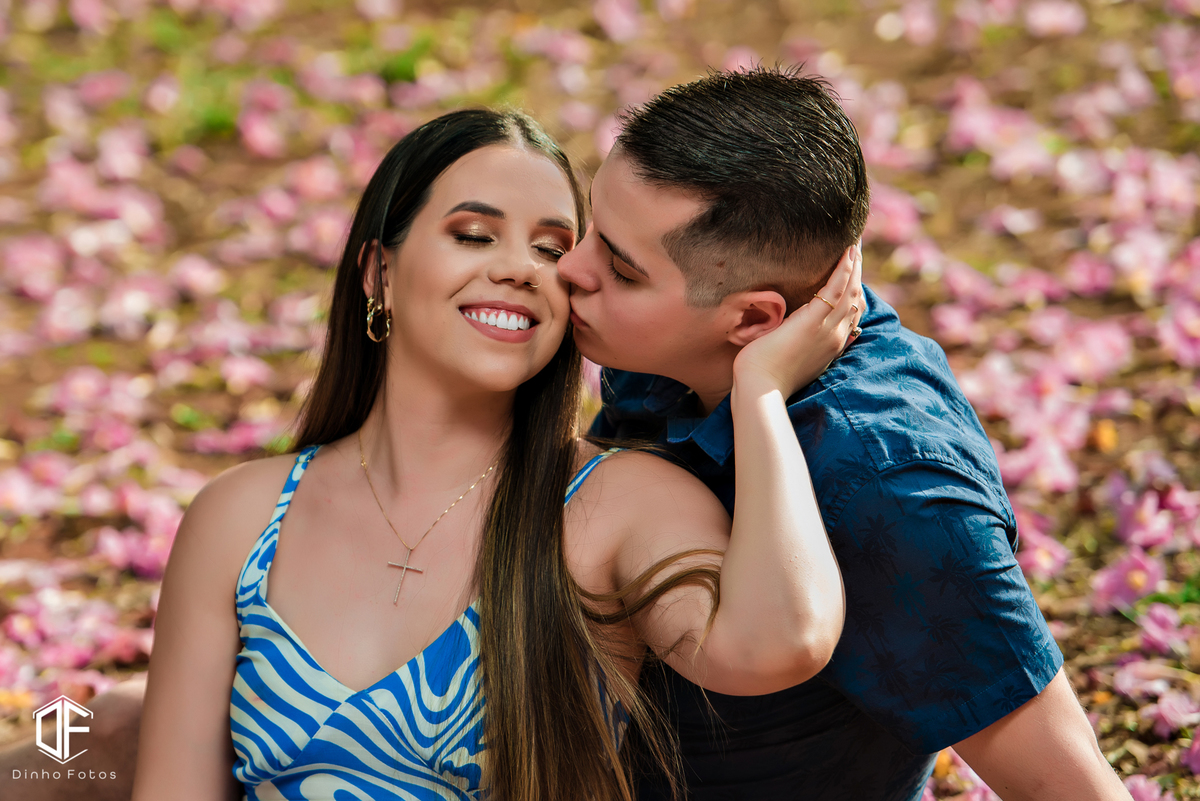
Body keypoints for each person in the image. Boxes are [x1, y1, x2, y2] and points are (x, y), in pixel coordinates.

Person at [118, 107, 861, 801]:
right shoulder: (241, 517)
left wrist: (759, 391)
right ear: (379, 271)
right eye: (475, 235)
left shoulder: (616, 506)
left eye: (552, 249)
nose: (520, 269)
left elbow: (781, 642)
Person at [557, 67, 1131, 801]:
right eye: (591, 227)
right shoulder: (679, 341)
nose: (570, 268)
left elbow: (1070, 786)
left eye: (619, 268)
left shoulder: (886, 486)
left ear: (755, 320)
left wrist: (760, 395)